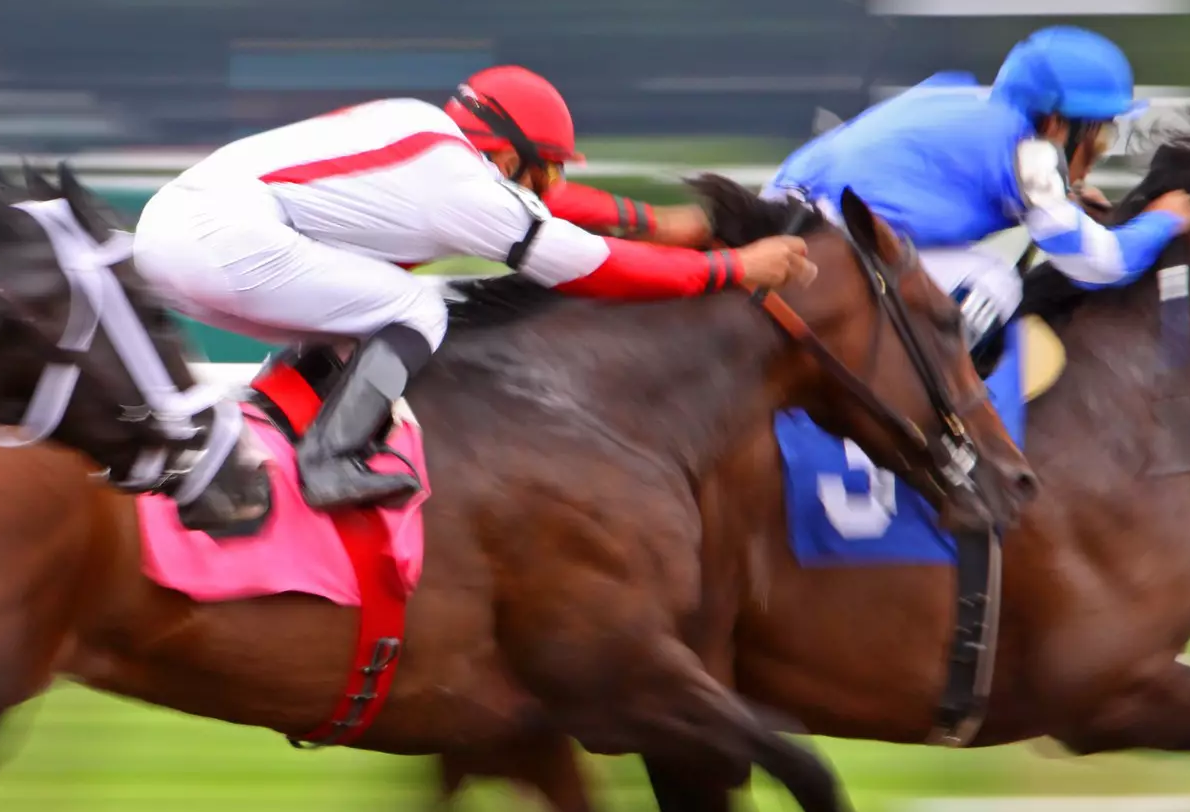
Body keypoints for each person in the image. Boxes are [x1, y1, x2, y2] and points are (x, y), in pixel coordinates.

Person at [133, 65, 816, 512]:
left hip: (180, 229)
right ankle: (329, 460)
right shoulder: (461, 186)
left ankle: (277, 428)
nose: (548, 186)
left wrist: (664, 224)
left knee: (366, 305)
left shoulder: (432, 139)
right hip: (220, 240)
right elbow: (585, 265)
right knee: (417, 305)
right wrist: (733, 270)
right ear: (505, 155)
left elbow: (549, 205)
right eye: (542, 171)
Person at [765, 26, 1190, 352]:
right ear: (1054, 124)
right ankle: (929, 410)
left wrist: (1058, 198)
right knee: (994, 280)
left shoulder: (962, 100)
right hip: (821, 245)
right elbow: (1099, 265)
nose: (1099, 151)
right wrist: (1164, 220)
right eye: (1099, 136)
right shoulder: (1030, 154)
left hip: (784, 215)